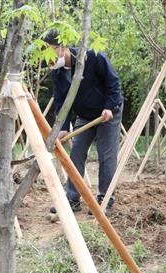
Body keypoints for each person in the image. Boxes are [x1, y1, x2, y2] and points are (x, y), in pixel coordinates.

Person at [44, 30, 124, 214]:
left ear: (62, 47)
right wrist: (63, 127)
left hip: (107, 113)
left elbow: (114, 84)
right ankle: (72, 198)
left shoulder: (93, 57)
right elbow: (61, 103)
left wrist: (109, 107)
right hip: (85, 116)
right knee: (76, 154)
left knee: (106, 156)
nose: (48, 57)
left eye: (50, 51)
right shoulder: (57, 73)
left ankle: (105, 200)